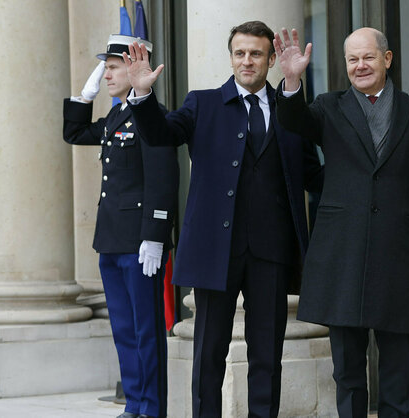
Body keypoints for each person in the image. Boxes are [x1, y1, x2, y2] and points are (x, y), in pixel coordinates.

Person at [123, 20, 323, 417]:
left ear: (270, 60)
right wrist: (142, 94)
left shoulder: (290, 111)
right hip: (214, 252)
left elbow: (315, 176)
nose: (247, 61)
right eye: (240, 53)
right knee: (209, 356)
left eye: (256, 54)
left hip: (272, 253)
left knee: (267, 356)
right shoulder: (202, 103)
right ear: (231, 58)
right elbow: (162, 134)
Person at [274, 26, 409, 417]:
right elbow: (292, 121)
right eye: (352, 59)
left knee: (400, 369)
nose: (359, 66)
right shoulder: (327, 107)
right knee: (349, 371)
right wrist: (290, 80)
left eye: (368, 57)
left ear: (387, 59)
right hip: (343, 254)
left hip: (398, 252)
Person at [62, 34, 179, 418]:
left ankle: (151, 409)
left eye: (112, 68)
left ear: (135, 68)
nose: (107, 75)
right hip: (111, 240)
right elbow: (75, 134)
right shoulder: (115, 116)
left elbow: (162, 178)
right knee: (124, 331)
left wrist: (155, 236)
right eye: (105, 68)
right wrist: (85, 94)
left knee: (146, 332)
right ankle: (134, 404)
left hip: (138, 242)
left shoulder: (151, 118)